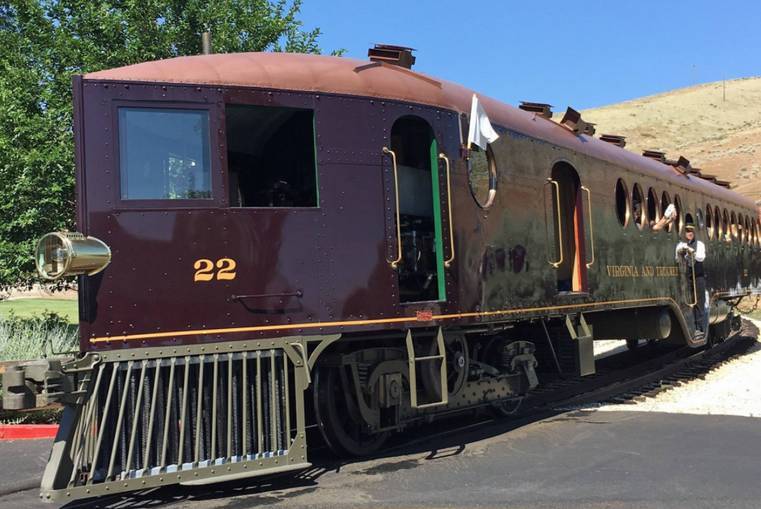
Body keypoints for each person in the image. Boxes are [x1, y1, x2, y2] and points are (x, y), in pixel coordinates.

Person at [675, 222, 707, 338]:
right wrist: (683, 249)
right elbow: (677, 258)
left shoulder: (700, 244)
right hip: (687, 277)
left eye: (691, 232)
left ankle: (700, 329)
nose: (689, 234)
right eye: (687, 232)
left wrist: (690, 253)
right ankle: (690, 328)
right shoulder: (681, 244)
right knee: (688, 302)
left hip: (698, 277)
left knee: (699, 302)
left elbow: (701, 257)